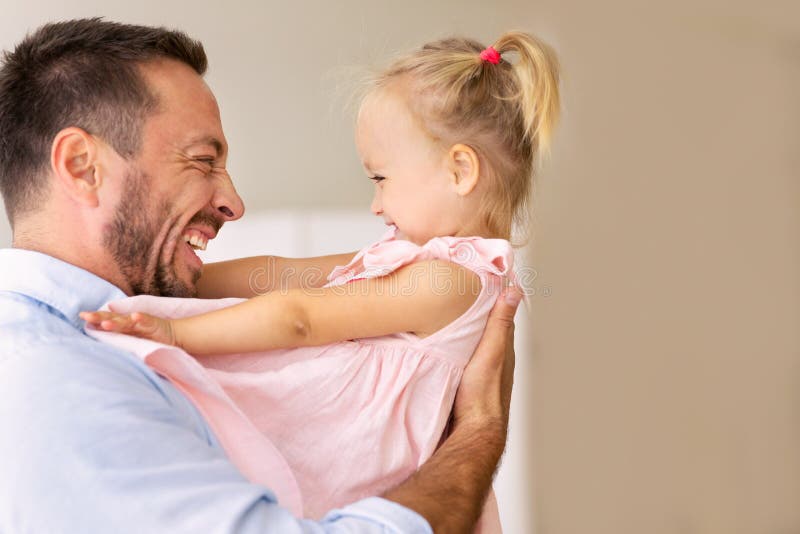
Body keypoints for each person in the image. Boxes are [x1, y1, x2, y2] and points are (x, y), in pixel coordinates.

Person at [0, 18, 521, 533]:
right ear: (81, 166)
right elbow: (287, 287)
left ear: (460, 171)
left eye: (382, 179)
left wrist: (180, 304)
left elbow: (294, 303)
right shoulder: (54, 379)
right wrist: (479, 431)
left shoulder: (450, 277)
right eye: (203, 161)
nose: (234, 204)